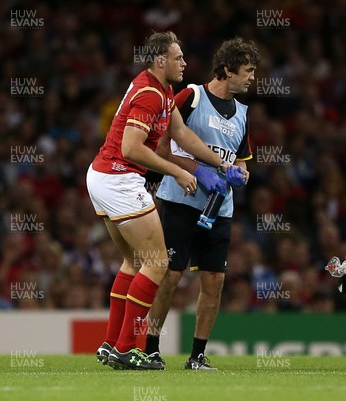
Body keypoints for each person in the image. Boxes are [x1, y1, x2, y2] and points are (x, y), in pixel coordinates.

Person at [87, 31, 233, 370]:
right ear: (160, 60)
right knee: (157, 263)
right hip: (120, 178)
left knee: (134, 263)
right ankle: (126, 348)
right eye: (178, 57)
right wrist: (178, 172)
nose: (184, 62)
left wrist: (220, 163)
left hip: (102, 176)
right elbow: (132, 148)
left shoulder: (161, 89)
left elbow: (182, 134)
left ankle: (111, 345)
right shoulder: (152, 94)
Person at [143, 37, 259, 370]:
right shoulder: (192, 96)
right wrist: (197, 169)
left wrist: (240, 174)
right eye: (248, 71)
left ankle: (197, 355)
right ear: (227, 69)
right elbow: (162, 148)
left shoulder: (243, 114)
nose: (252, 77)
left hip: (219, 208)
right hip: (181, 200)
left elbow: (241, 161)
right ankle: (151, 347)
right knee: (171, 275)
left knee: (215, 281)